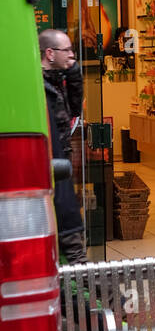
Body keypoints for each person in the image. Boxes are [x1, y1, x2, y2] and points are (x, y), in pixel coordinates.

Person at [39, 29, 87, 263]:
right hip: (51, 167)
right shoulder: (39, 86)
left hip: (62, 164)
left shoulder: (58, 81)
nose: (71, 55)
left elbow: (74, 109)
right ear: (49, 53)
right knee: (68, 230)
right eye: (66, 50)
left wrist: (74, 73)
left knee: (69, 227)